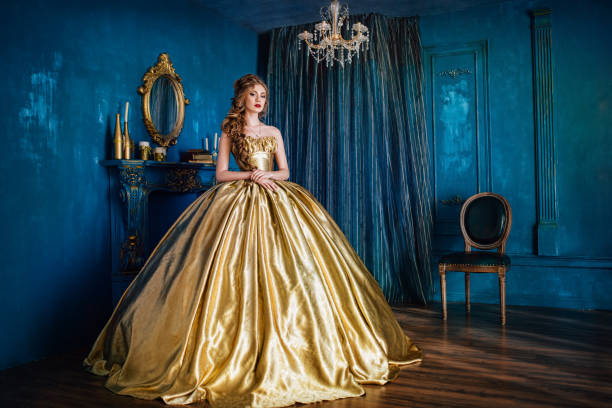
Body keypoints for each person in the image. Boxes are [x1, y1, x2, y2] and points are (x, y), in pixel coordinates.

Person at [84, 74, 422, 407]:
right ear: (242, 99)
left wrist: (267, 175)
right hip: (237, 199)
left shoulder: (273, 131)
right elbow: (219, 175)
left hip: (277, 196)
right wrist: (250, 175)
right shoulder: (230, 131)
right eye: (253, 94)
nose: (259, 99)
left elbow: (286, 172)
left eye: (263, 95)